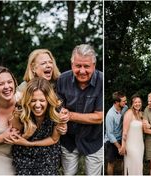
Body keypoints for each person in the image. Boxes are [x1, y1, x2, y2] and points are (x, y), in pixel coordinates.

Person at [56, 44, 103, 175]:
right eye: (78, 66)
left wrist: (69, 115)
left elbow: (99, 117)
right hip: (69, 139)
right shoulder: (62, 80)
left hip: (94, 139)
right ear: (72, 65)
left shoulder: (101, 81)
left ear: (94, 65)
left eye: (86, 66)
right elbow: (57, 108)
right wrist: (60, 117)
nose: (82, 71)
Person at [5, 77, 66, 175]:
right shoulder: (19, 110)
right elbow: (16, 139)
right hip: (24, 153)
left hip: (48, 152)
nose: (37, 105)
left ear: (48, 100)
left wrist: (29, 143)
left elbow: (54, 139)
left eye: (42, 100)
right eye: (33, 100)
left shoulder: (56, 111)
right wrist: (27, 135)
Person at [119, 94, 144, 175]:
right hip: (131, 146)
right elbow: (124, 131)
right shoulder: (129, 113)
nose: (137, 104)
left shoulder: (140, 114)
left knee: (139, 166)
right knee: (132, 166)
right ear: (132, 104)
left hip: (140, 145)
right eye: (135, 102)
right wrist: (123, 146)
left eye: (139, 102)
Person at [105, 91, 128, 175]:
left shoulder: (125, 108)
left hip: (122, 138)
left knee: (125, 160)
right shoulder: (110, 115)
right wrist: (119, 147)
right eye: (124, 101)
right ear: (117, 102)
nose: (126, 102)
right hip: (112, 141)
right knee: (111, 163)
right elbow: (109, 134)